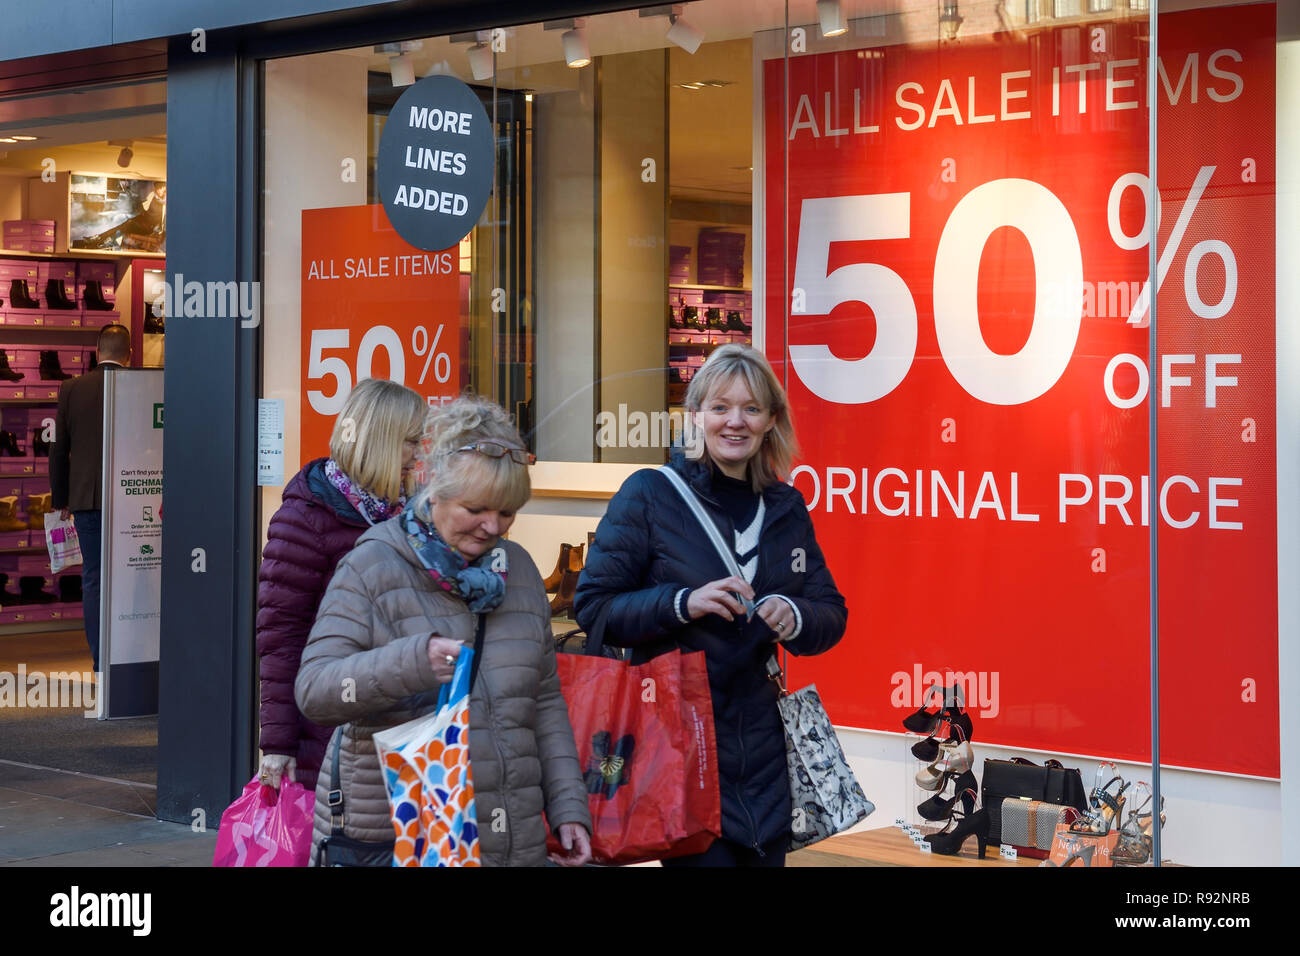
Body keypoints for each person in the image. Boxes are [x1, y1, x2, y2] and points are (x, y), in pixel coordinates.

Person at [573, 344, 848, 867]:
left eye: (751, 408)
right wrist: (682, 602)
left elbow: (830, 613)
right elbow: (595, 607)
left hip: (765, 748)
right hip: (680, 741)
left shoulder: (786, 505)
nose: (735, 422)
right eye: (720, 407)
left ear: (771, 420)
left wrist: (797, 617)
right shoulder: (650, 495)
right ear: (695, 414)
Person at [295, 394, 592, 866]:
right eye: (475, 509)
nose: (492, 526)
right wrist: (414, 662)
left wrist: (568, 808)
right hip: (398, 837)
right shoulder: (372, 565)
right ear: (435, 489)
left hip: (508, 838)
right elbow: (315, 690)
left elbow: (544, 703)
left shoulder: (518, 570)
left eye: (508, 512)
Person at [255, 377, 428, 796]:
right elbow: (281, 637)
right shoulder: (306, 518)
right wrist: (278, 744)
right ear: (381, 441)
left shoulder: (412, 513)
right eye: (410, 441)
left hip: (409, 723)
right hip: (334, 729)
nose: (418, 453)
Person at [50, 322, 132, 673]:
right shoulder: (138, 385)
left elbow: (58, 450)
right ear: (128, 355)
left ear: (98, 352)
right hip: (132, 499)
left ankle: (101, 663)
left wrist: (60, 498)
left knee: (94, 578)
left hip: (86, 498)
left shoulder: (72, 388)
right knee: (133, 577)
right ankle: (131, 658)